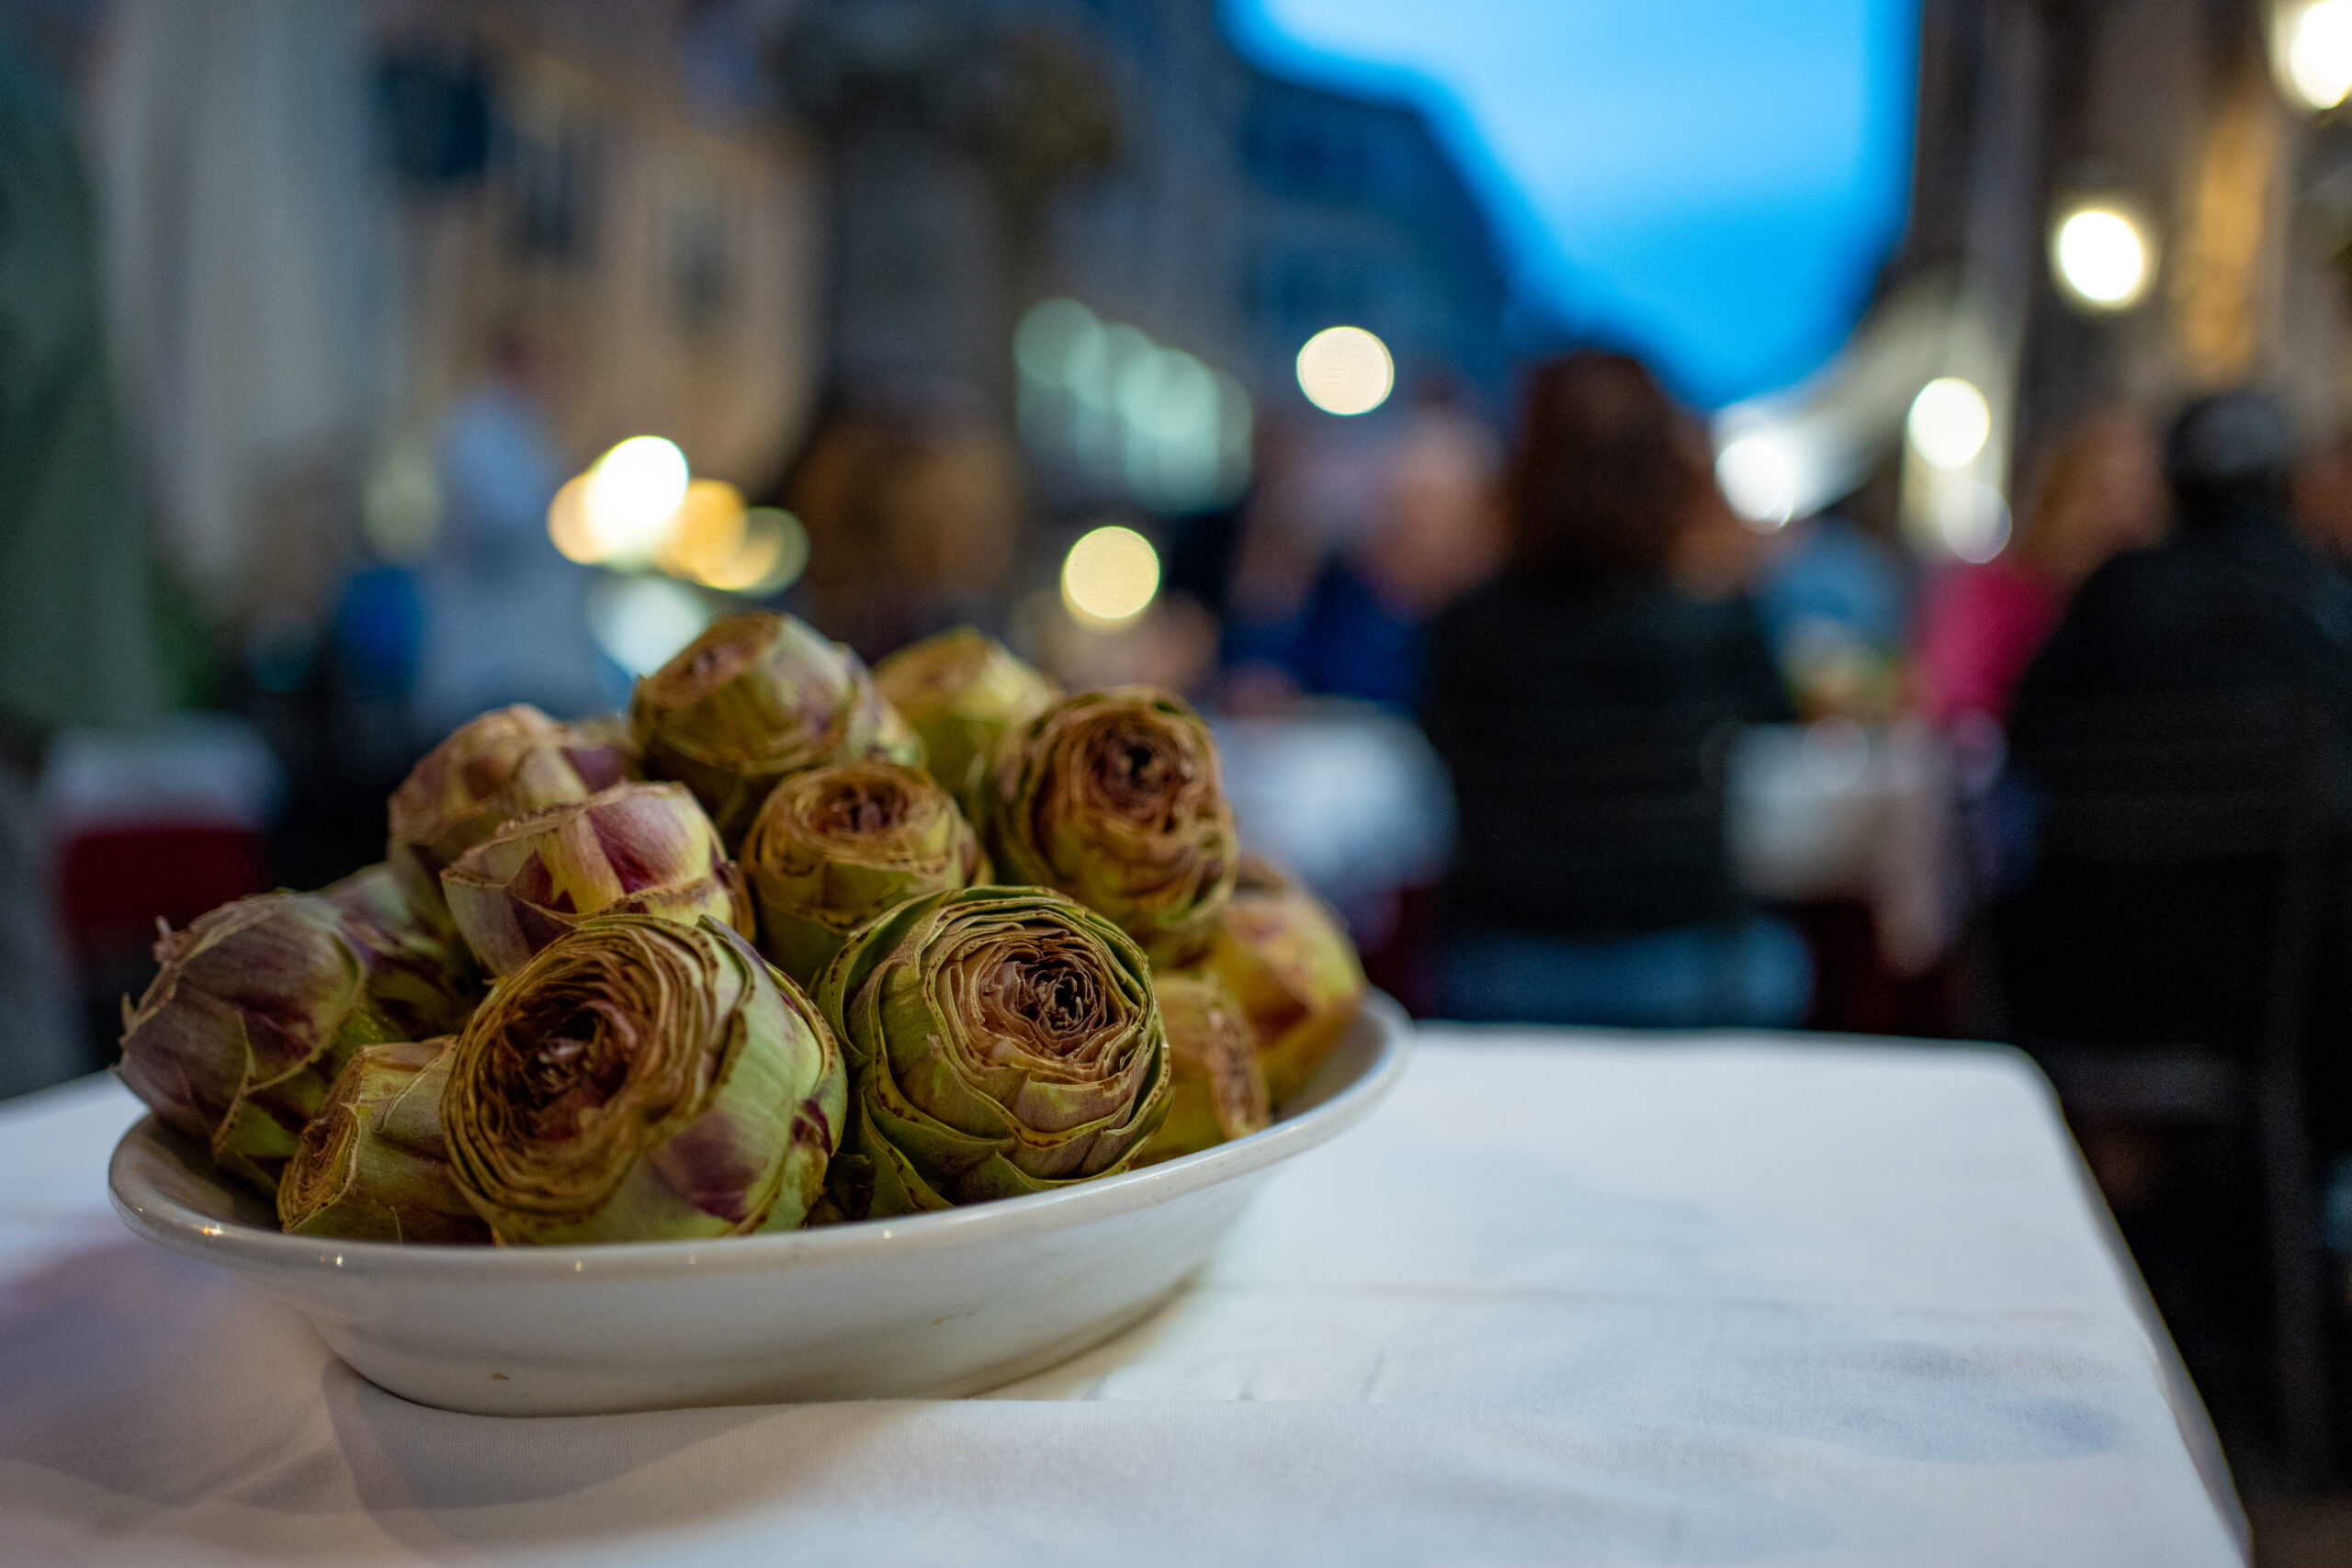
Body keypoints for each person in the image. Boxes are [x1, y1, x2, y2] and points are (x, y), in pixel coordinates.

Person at [1422, 350, 1808, 1027]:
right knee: (1790, 965)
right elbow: (1783, 727)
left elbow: (1429, 744)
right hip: (1689, 962)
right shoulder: (1716, 623)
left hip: (1504, 967)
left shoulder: (1466, 625)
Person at [1914, 410, 2165, 728]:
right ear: (2057, 496)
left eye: (2135, 498)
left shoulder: (2157, 615)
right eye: (2099, 492)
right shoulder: (1992, 595)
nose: (2116, 515)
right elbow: (1949, 696)